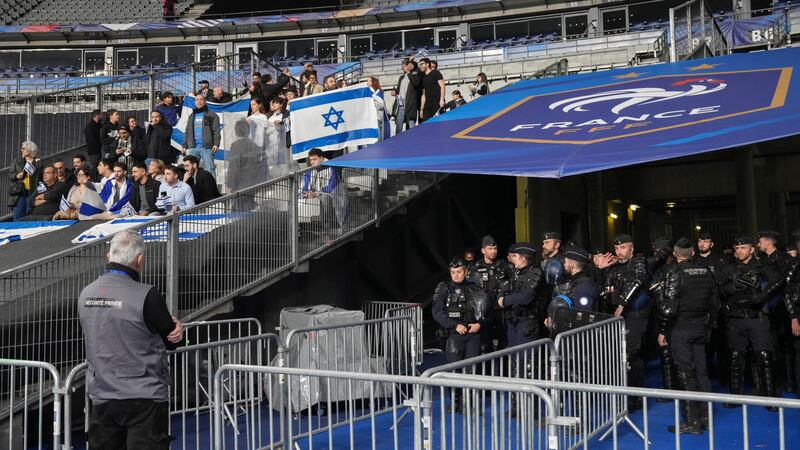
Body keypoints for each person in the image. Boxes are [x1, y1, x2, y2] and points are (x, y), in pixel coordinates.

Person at [78, 229, 183, 449]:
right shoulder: (148, 295)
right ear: (139, 260)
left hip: (102, 393)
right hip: (144, 395)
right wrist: (179, 331)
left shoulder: (86, 294)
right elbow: (173, 340)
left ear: (109, 256)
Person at [658, 237, 718, 434]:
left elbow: (668, 309)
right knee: (702, 371)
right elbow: (714, 303)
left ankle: (692, 422)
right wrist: (708, 325)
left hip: (682, 329)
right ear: (693, 253)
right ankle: (706, 417)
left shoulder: (674, 273)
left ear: (675, 255)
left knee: (685, 373)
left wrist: (663, 331)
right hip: (701, 327)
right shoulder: (706, 271)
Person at [718, 235, 783, 409]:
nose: (739, 251)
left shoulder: (762, 266)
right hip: (736, 319)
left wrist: (763, 295)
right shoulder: (727, 268)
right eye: (736, 248)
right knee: (735, 358)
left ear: (752, 249)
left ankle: (771, 400)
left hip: (757, 317)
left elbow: (779, 281)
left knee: (765, 357)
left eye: (743, 248)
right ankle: (734, 398)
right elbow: (719, 289)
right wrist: (734, 286)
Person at [595, 234, 649, 408]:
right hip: (615, 318)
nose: (619, 251)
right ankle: (622, 394)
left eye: (623, 247)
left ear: (631, 248)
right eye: (617, 248)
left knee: (632, 354)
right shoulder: (613, 268)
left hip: (635, 315)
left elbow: (639, 281)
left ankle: (635, 395)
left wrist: (622, 304)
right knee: (617, 355)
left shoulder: (639, 263)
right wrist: (601, 270)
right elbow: (601, 291)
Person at [432, 257, 488, 412]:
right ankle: (455, 401)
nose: (456, 275)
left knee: (471, 370)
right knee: (454, 369)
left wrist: (479, 324)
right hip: (454, 335)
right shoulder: (444, 288)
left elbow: (486, 310)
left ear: (465, 272)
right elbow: (436, 312)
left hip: (473, 335)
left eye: (459, 272)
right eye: (453, 272)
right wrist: (454, 325)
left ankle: (468, 402)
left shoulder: (475, 287)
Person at [758, 230, 793, 393]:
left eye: (760, 241)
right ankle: (781, 380)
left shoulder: (782, 258)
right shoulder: (765, 259)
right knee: (775, 345)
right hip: (771, 306)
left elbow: (783, 282)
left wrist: (765, 293)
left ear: (768, 242)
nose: (758, 244)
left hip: (782, 306)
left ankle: (788, 380)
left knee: (785, 344)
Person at [497, 242, 545, 347]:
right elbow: (506, 286)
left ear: (523, 258)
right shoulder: (516, 272)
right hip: (513, 319)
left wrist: (505, 301)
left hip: (527, 322)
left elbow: (526, 297)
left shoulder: (536, 272)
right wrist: (500, 296)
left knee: (526, 358)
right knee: (513, 357)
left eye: (515, 256)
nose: (512, 259)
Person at [648, 237, 678, 396]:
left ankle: (679, 388)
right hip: (659, 313)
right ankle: (670, 389)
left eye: (658, 250)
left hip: (676, 315)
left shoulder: (678, 266)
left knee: (678, 353)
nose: (655, 253)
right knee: (665, 353)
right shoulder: (654, 267)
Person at [470, 235, 510, 352]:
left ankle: (505, 369)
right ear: (483, 250)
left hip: (500, 311)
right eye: (490, 249)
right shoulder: (475, 268)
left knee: (504, 344)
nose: (494, 251)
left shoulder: (504, 266)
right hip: (483, 312)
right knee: (484, 345)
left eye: (495, 249)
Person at [301, 148, 346, 228]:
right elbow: (305, 186)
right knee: (300, 198)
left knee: (325, 198)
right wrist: (307, 193)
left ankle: (326, 224)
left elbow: (331, 186)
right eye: (311, 160)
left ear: (321, 158)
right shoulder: (309, 171)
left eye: (315, 159)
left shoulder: (331, 168)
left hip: (328, 195)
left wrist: (317, 193)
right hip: (313, 194)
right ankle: (306, 225)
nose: (312, 162)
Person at [182, 95, 220, 179]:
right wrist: (184, 146)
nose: (199, 102)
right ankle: (193, 190)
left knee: (210, 169)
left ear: (205, 101)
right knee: (190, 170)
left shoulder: (212, 115)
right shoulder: (191, 116)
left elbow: (216, 131)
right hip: (193, 147)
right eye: (197, 100)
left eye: (201, 100)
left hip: (206, 147)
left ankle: (212, 191)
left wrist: (216, 144)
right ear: (195, 102)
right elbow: (187, 132)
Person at [8, 141, 42, 220]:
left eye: (23, 148)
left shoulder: (38, 162)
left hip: (32, 192)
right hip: (20, 192)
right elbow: (10, 174)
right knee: (18, 214)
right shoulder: (17, 161)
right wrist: (16, 175)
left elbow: (41, 177)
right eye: (21, 148)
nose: (21, 150)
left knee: (30, 215)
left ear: (31, 149)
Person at [392, 58, 422, 132]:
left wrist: (409, 72)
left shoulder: (415, 75)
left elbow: (416, 84)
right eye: (407, 65)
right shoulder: (401, 77)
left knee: (411, 126)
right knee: (399, 127)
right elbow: (399, 89)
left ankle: (412, 140)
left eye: (410, 65)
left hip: (410, 103)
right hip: (400, 103)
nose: (408, 66)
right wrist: (395, 91)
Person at [419, 57, 444, 123]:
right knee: (426, 124)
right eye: (419, 65)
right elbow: (423, 94)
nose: (420, 66)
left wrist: (442, 99)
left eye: (422, 64)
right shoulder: (423, 78)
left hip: (436, 103)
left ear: (427, 64)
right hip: (427, 105)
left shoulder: (435, 72)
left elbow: (442, 86)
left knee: (438, 123)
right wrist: (421, 109)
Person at [367, 76, 388, 141]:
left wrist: (373, 101)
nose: (367, 82)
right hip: (369, 117)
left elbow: (381, 105)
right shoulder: (367, 92)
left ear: (374, 82)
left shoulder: (378, 93)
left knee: (378, 136)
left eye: (369, 81)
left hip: (377, 117)